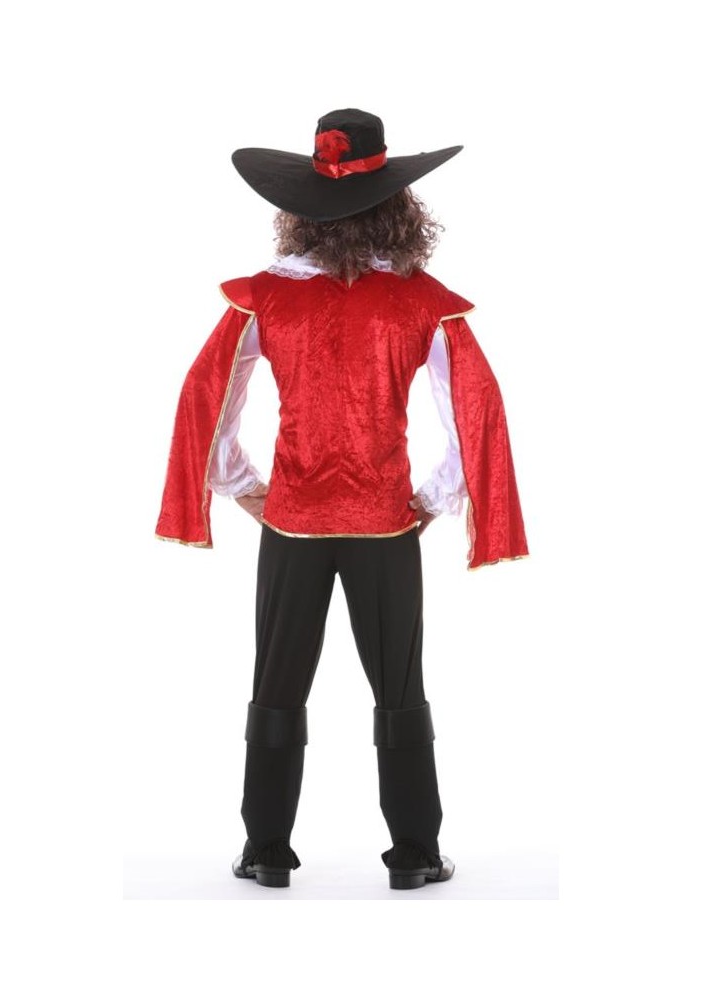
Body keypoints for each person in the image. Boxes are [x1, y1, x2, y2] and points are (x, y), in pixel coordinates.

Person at [155, 108, 529, 890]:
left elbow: (204, 395)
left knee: (276, 683)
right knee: (398, 687)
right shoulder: (420, 301)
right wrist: (433, 498)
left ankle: (265, 850)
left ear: (303, 213)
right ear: (398, 210)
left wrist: (242, 485)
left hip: (291, 520)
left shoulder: (265, 297)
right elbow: (475, 409)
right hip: (384, 525)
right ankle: (415, 853)